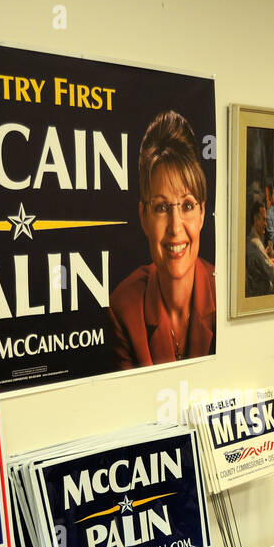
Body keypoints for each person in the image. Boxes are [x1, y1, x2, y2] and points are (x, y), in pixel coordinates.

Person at [107, 110, 215, 366]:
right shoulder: (123, 308)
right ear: (144, 217)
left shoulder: (224, 297)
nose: (175, 228)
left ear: (202, 213)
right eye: (162, 207)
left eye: (187, 205)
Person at [245, 200, 274, 296]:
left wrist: (265, 253)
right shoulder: (256, 244)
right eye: (264, 219)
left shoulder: (249, 240)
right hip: (264, 294)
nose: (266, 224)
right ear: (256, 219)